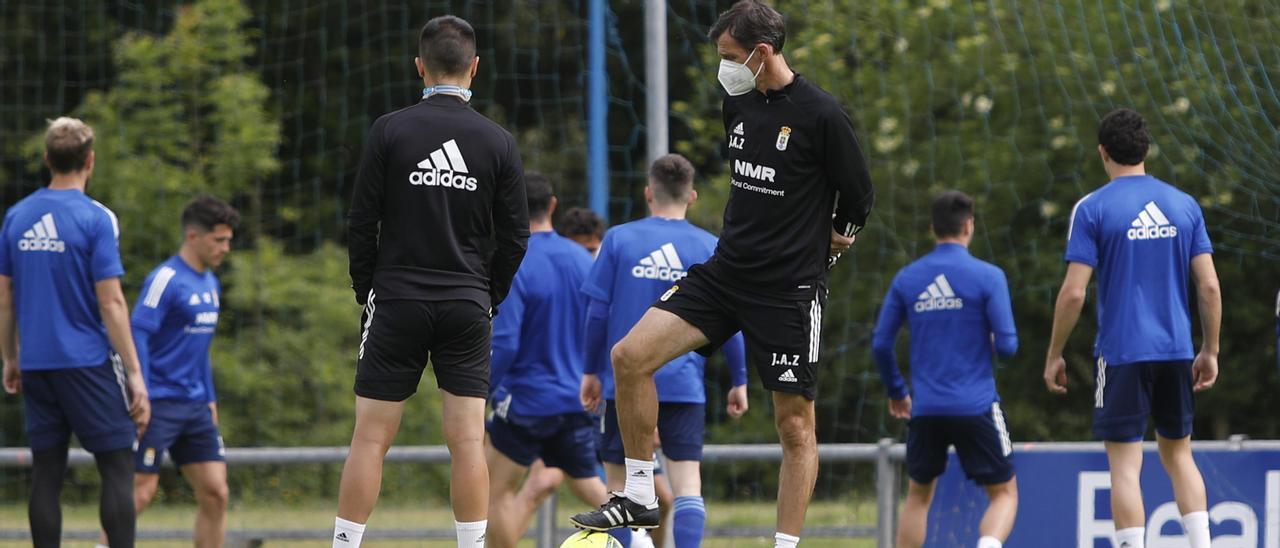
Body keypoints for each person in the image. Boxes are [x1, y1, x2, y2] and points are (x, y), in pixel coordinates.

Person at [569, 3, 875, 546]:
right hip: (725, 273)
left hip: (787, 292)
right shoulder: (735, 100)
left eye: (730, 57)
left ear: (762, 53)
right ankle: (639, 494)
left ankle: (785, 543)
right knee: (628, 357)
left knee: (795, 427)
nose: (723, 68)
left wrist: (831, 243)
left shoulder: (822, 114)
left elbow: (859, 196)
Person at [337, 14, 529, 548]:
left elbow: (360, 222)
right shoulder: (497, 142)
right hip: (466, 303)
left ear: (419, 67)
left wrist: (367, 290)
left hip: (396, 297)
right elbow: (515, 239)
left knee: (370, 439)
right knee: (469, 439)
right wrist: (485, 296)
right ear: (476, 68)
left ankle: (344, 544)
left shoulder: (390, 129)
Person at [1044, 108, 1220, 548]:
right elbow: (1210, 287)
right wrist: (1210, 349)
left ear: (1103, 153)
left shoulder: (1093, 208)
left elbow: (1073, 294)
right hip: (1177, 349)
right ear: (1147, 149)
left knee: (1125, 465)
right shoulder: (1184, 205)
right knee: (1179, 455)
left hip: (1121, 353)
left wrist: (1054, 354)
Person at [577, 154, 750, 547]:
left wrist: (591, 372)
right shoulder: (709, 245)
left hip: (626, 385)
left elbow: (597, 313)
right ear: (690, 196)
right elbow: (730, 319)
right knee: (688, 484)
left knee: (619, 488)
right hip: (682, 383)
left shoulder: (619, 238)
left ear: (647, 193)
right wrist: (738, 380)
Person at [0, 117, 151, 547]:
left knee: (46, 472)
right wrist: (135, 372)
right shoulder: (96, 219)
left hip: (37, 363)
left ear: (47, 159)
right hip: (87, 362)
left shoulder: (16, 217)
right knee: (118, 466)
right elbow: (112, 302)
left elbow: (4, 299)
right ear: (90, 160)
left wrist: (11, 358)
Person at [872, 191, 1019, 548]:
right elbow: (1009, 347)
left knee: (919, 496)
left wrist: (897, 391)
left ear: (932, 228)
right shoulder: (989, 276)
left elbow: (880, 344)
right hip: (977, 405)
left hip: (926, 409)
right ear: (969, 226)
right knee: (1004, 494)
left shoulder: (908, 278)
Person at [98, 196, 238, 548]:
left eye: (228, 240)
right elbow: (138, 334)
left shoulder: (211, 284)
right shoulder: (165, 279)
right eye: (218, 240)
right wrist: (139, 390)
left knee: (216, 492)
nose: (225, 248)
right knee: (142, 491)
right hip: (158, 402)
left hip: (195, 406)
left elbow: (199, 350)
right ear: (193, 236)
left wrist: (209, 398)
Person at [484, 173, 610, 547]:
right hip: (577, 398)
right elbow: (602, 324)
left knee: (492, 492)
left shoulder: (513, 260)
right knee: (594, 491)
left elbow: (504, 342)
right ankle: (639, 539)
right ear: (553, 206)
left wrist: (481, 389)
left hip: (526, 402)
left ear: (507, 208)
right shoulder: (583, 258)